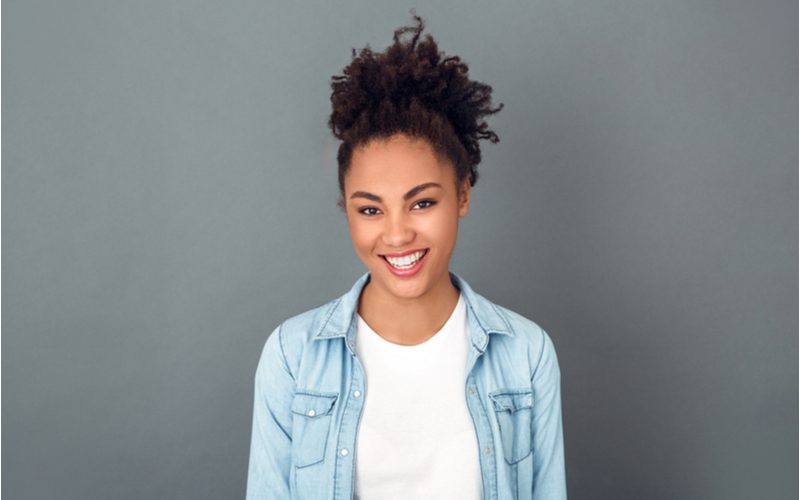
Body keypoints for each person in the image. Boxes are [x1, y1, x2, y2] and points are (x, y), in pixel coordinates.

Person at [246, 13, 566, 500]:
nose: (396, 234)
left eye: (422, 203)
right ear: (347, 211)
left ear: (462, 195)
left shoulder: (526, 355)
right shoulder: (293, 357)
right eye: (371, 209)